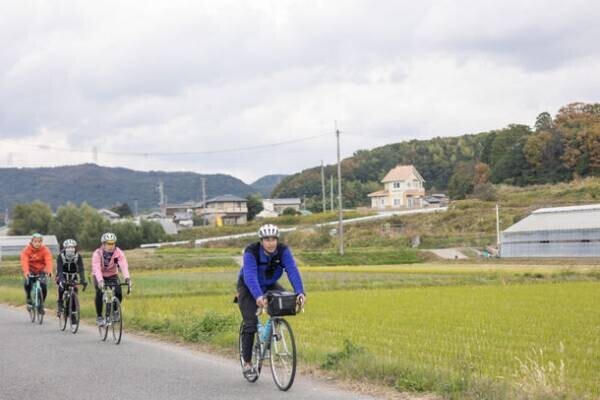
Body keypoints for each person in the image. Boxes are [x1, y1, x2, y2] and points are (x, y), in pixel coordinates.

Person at [236, 224, 306, 379]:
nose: (270, 242)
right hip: (248, 287)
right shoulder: (251, 251)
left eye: (273, 239)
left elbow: (292, 270)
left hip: (270, 284)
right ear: (261, 241)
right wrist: (258, 296)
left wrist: (300, 292)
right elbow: (250, 276)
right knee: (250, 324)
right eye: (267, 239)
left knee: (286, 300)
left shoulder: (283, 251)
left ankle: (273, 328)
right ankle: (247, 363)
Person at [91, 232, 131, 326]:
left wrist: (127, 278)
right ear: (103, 244)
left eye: (112, 243)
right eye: (108, 243)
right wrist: (100, 281)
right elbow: (96, 268)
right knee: (99, 293)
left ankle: (116, 311)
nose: (111, 246)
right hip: (99, 275)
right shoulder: (97, 253)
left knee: (118, 292)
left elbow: (123, 265)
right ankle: (99, 316)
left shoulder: (118, 253)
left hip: (112, 274)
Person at [20, 233, 53, 312]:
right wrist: (26, 272)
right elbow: (24, 262)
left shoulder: (45, 250)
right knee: (27, 284)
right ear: (32, 242)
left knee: (43, 286)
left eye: (39, 241)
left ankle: (41, 304)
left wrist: (49, 271)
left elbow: (48, 261)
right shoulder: (26, 250)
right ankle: (29, 299)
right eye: (35, 241)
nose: (37, 243)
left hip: (41, 270)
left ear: (41, 242)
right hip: (30, 270)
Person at [56, 239, 87, 318]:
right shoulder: (60, 256)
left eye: (72, 247)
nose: (70, 249)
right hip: (62, 274)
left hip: (73, 275)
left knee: (75, 291)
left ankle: (73, 313)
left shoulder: (78, 256)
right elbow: (59, 269)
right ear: (65, 248)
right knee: (62, 288)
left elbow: (81, 269)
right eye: (68, 247)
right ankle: (60, 302)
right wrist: (62, 280)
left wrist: (83, 279)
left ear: (75, 248)